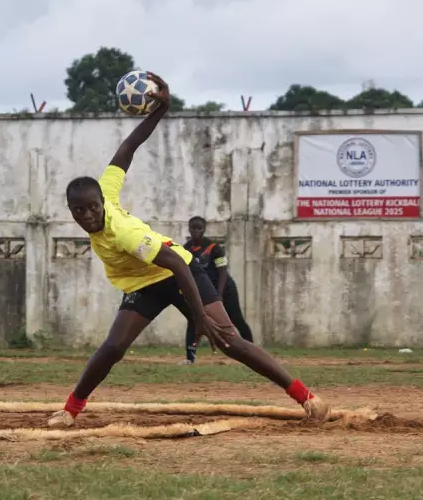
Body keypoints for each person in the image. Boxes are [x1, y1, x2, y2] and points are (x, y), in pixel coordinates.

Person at [48, 72, 330, 428]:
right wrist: (160, 111)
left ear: (101, 203)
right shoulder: (102, 191)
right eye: (79, 211)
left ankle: (308, 398)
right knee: (113, 347)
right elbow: (128, 148)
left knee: (230, 341)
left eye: (92, 208)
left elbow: (175, 265)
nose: (87, 215)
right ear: (72, 210)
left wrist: (198, 317)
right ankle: (70, 410)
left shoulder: (124, 232)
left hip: (180, 271)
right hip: (143, 284)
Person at [181, 216, 253, 365]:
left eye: (199, 228)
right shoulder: (185, 249)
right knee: (194, 320)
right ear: (189, 229)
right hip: (203, 290)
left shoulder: (214, 247)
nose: (196, 231)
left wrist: (219, 294)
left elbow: (223, 272)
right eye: (193, 228)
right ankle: (190, 358)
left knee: (236, 319)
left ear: (204, 229)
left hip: (225, 288)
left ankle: (251, 352)